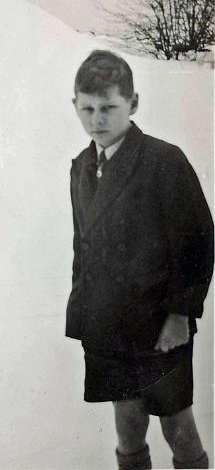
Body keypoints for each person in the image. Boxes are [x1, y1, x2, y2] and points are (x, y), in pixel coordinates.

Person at [65, 50, 214, 470]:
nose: (98, 119)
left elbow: (199, 243)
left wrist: (180, 315)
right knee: (127, 423)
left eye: (109, 107)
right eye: (88, 108)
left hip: (157, 324)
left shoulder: (164, 161)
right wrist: (81, 310)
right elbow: (84, 245)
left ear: (133, 104)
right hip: (107, 323)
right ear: (74, 105)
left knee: (176, 425)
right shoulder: (80, 167)